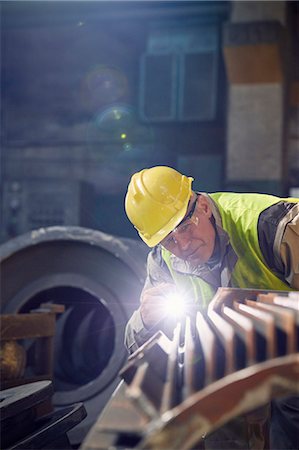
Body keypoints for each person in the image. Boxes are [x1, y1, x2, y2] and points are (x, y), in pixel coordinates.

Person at [124, 165, 299, 450]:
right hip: (238, 363)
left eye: (183, 226)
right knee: (205, 399)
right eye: (168, 239)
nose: (181, 245)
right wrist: (145, 321)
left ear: (203, 206)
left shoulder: (273, 226)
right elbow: (137, 348)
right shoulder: (162, 262)